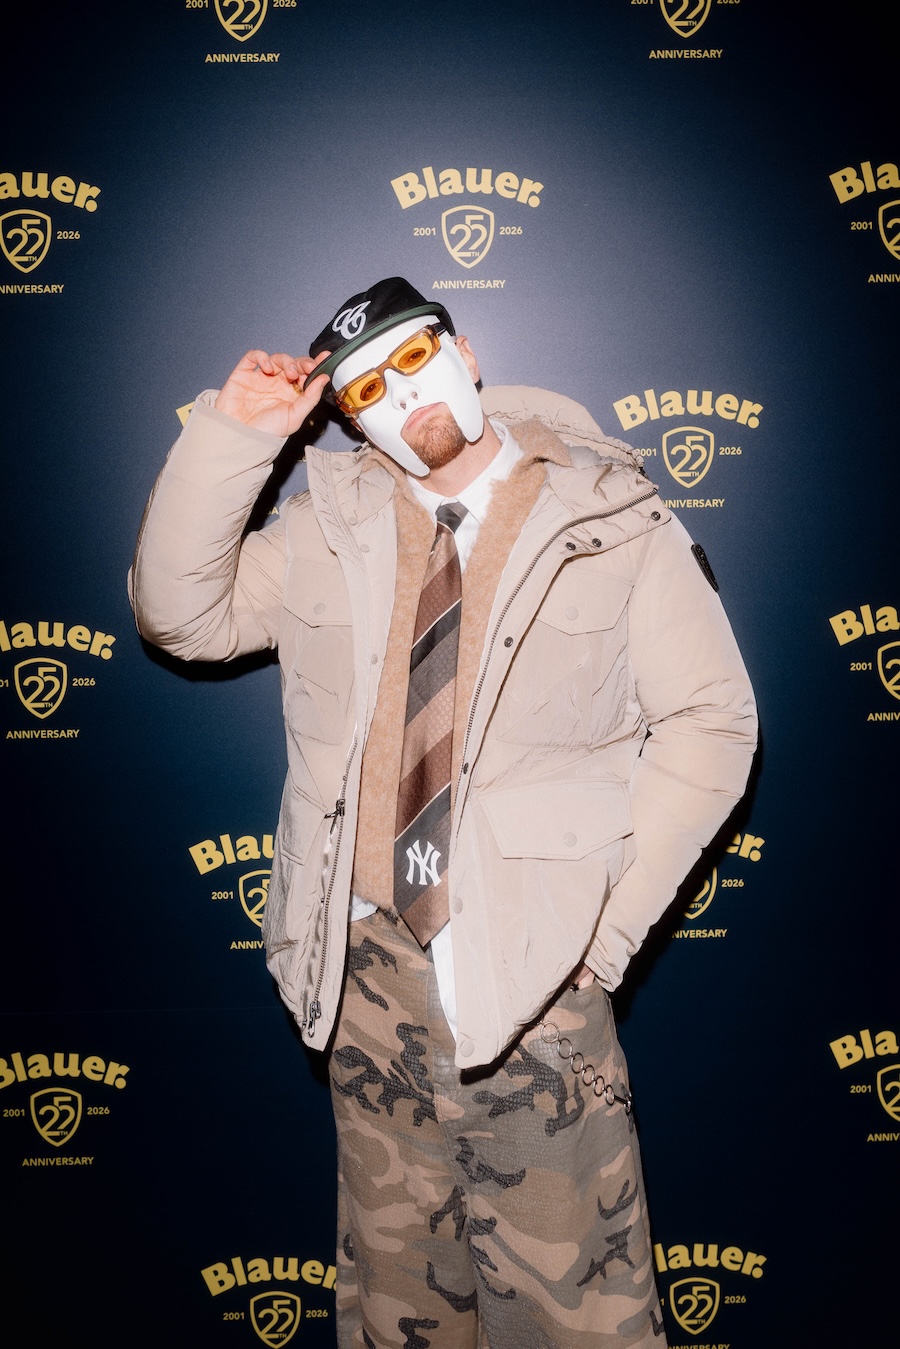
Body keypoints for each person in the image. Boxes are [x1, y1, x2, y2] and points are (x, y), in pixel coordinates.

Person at [130, 276, 757, 1348]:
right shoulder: (325, 527)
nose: (401, 392)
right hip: (367, 981)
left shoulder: (612, 516)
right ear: (349, 418)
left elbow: (712, 719)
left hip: (536, 982)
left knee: (579, 1318)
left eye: (415, 358)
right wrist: (235, 436)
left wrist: (602, 938)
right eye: (367, 386)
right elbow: (179, 615)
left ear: (464, 355)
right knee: (400, 1311)